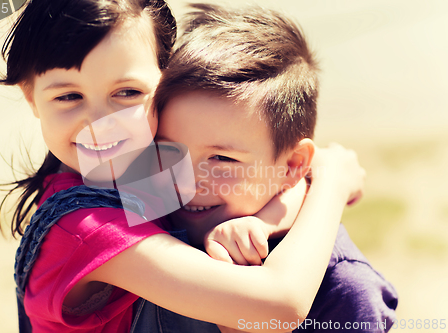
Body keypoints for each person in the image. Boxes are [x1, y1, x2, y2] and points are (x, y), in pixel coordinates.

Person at [0, 0, 365, 332]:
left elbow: (280, 178)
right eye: (68, 96)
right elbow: (280, 306)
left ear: (166, 80)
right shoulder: (86, 229)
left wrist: (264, 220)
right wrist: (331, 183)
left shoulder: (130, 175)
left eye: (126, 92)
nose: (98, 121)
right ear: (31, 97)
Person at [131, 3, 397, 333]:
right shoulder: (148, 218)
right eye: (166, 150)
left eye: (222, 159)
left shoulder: (343, 286)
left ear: (294, 165)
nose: (185, 181)